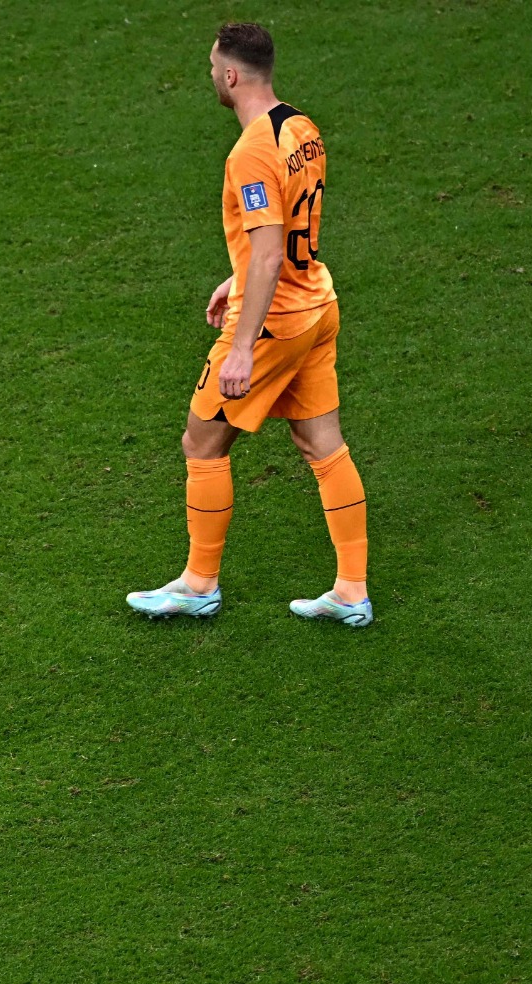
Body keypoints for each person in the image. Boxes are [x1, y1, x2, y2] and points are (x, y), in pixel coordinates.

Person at [127, 22, 371, 627]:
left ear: (231, 75)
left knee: (202, 442)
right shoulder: (302, 129)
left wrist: (241, 348)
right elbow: (288, 234)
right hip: (317, 304)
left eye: (213, 66)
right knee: (322, 443)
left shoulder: (250, 153)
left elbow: (267, 252)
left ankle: (198, 584)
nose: (211, 75)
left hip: (276, 324)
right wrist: (237, 274)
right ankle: (351, 591)